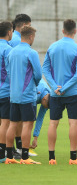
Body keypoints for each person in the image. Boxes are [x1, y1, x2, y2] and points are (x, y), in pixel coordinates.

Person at [42, 19, 77, 165]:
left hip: (55, 93)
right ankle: (73, 158)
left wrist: (54, 87)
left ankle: (51, 158)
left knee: (53, 123)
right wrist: (65, 88)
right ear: (75, 30)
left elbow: (45, 69)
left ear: (62, 30)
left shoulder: (52, 47)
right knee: (73, 123)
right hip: (72, 92)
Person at [5, 25, 42, 164]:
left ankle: (9, 157)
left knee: (13, 124)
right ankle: (25, 157)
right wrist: (35, 84)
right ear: (31, 37)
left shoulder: (11, 52)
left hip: (13, 94)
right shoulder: (31, 53)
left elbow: (8, 72)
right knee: (27, 125)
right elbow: (38, 74)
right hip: (27, 95)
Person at [9, 14, 32, 158]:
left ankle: (12, 150)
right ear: (24, 26)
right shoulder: (18, 42)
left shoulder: (10, 40)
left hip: (11, 88)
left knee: (11, 121)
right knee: (21, 122)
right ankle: (18, 150)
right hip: (20, 88)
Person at [0, 21, 13, 163]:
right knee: (5, 123)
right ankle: (2, 153)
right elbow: (11, 72)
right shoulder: (8, 49)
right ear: (9, 32)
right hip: (5, 91)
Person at [29, 79, 51, 156]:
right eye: (45, 106)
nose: (45, 108)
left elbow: (40, 118)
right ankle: (21, 147)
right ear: (44, 99)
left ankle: (23, 147)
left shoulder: (49, 97)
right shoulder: (37, 92)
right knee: (27, 120)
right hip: (27, 93)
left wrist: (35, 138)